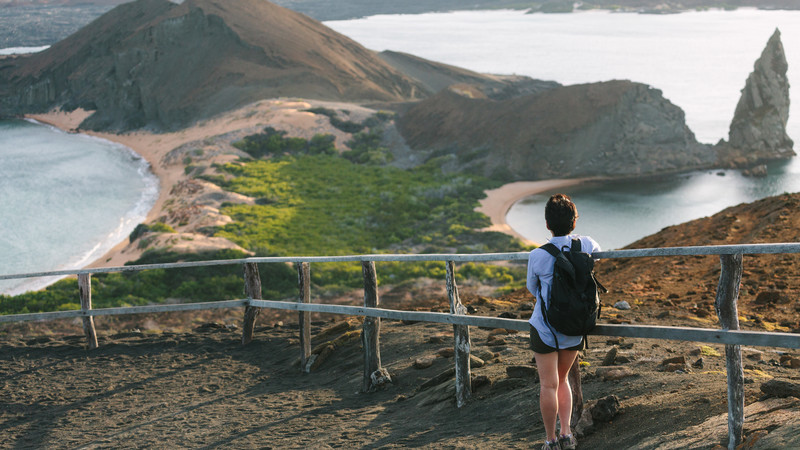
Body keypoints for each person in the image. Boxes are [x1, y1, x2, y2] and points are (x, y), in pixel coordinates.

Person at [526, 193, 600, 450]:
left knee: (548, 384)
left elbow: (532, 289)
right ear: (574, 222)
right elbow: (598, 258)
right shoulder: (587, 244)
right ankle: (566, 434)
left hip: (545, 328)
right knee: (563, 380)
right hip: (575, 328)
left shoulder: (537, 255)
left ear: (547, 224)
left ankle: (550, 441)